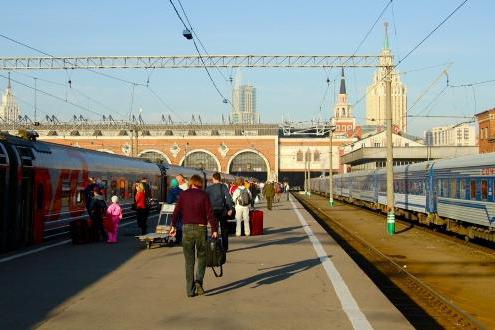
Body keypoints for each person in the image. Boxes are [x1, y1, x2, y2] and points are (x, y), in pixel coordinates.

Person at [169, 175, 218, 297]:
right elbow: (210, 213)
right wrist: (214, 229)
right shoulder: (204, 195)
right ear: (200, 183)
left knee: (189, 261)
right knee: (201, 257)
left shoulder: (184, 195)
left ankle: (190, 290)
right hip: (201, 229)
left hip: (187, 229)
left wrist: (173, 226)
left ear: (191, 183)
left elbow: (176, 211)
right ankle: (199, 281)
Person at [206, 172, 234, 251]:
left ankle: (214, 246)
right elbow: (228, 198)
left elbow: (205, 199)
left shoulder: (209, 188)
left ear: (213, 178)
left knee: (214, 229)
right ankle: (225, 248)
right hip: (222, 211)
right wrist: (230, 208)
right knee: (224, 229)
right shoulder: (223, 187)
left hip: (213, 211)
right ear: (220, 179)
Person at [167, 178, 183, 244]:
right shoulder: (182, 191)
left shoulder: (171, 191)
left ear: (172, 184)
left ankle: (176, 238)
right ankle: (179, 238)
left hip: (174, 210)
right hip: (181, 210)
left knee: (174, 224)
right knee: (180, 224)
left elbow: (169, 201)